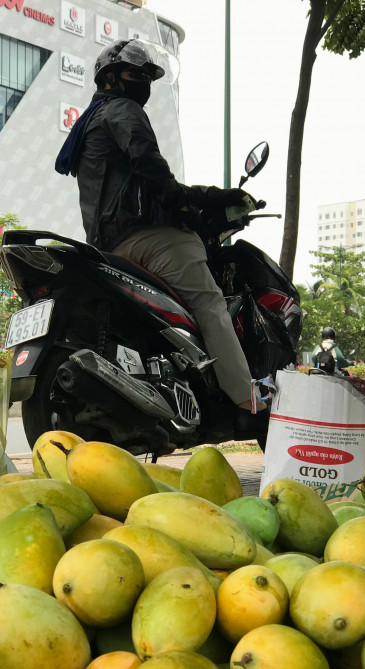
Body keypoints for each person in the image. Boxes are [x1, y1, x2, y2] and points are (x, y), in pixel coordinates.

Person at [55, 39, 266, 434]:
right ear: (111, 79)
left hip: (111, 245)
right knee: (210, 302)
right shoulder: (122, 110)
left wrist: (208, 196)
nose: (144, 84)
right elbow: (149, 163)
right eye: (136, 75)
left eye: (148, 77)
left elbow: (145, 179)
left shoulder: (90, 125)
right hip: (146, 239)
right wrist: (184, 209)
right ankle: (246, 401)